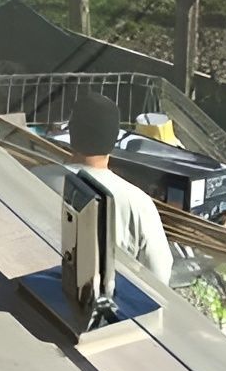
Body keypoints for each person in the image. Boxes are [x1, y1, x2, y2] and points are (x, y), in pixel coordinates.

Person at [68, 93, 174, 287]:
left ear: (71, 132)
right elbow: (159, 277)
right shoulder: (138, 203)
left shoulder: (33, 179)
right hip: (108, 308)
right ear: (115, 138)